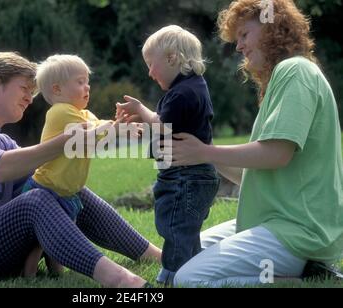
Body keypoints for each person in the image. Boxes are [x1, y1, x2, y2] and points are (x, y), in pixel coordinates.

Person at [0, 51, 161, 287]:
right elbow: (0, 169)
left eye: (33, 91)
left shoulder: (2, 142)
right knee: (36, 200)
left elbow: (45, 180)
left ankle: (156, 256)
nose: (30, 97)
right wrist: (65, 140)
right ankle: (121, 281)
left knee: (63, 190)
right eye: (24, 89)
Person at [163, 0, 343, 287]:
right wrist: (202, 153)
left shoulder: (295, 70)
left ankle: (292, 280)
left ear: (273, 27)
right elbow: (254, 174)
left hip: (295, 232)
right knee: (180, 256)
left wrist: (205, 151)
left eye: (244, 35)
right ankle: (303, 272)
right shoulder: (283, 78)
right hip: (270, 223)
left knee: (188, 279)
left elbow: (276, 154)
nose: (239, 47)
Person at [116, 25, 220, 285]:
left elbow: (163, 125)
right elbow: (164, 126)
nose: (149, 73)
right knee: (184, 227)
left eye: (151, 64)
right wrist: (143, 124)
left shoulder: (183, 92)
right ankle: (194, 266)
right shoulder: (190, 88)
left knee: (174, 226)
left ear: (173, 58)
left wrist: (141, 109)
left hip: (184, 176)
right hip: (188, 175)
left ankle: (172, 274)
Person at [21, 54, 142, 276]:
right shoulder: (60, 112)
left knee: (60, 236)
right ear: (57, 90)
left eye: (87, 81)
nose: (87, 87)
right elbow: (89, 134)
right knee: (37, 242)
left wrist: (122, 128)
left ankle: (55, 274)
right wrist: (114, 127)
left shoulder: (82, 113)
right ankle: (27, 274)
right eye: (79, 82)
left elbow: (100, 134)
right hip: (46, 189)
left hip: (66, 192)